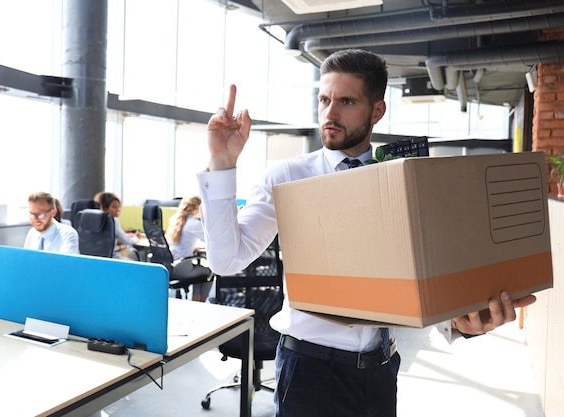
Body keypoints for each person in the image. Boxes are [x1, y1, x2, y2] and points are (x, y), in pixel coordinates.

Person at [197, 49, 537, 417]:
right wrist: (222, 162)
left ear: (377, 111)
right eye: (324, 99)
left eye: (346, 101)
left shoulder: (406, 179)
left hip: (381, 369)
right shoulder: (287, 177)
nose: (329, 113)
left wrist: (463, 323)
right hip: (310, 370)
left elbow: (422, 270)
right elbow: (227, 260)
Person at [165, 195, 212, 302]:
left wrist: (191, 247)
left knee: (200, 272)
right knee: (208, 273)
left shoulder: (175, 220)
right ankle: (200, 303)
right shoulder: (194, 224)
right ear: (196, 208)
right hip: (182, 268)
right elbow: (210, 241)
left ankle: (196, 302)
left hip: (170, 266)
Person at [94, 191, 143, 260]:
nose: (118, 210)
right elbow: (128, 241)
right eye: (114, 207)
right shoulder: (113, 221)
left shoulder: (94, 220)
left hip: (95, 259)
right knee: (135, 265)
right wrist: (137, 237)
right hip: (111, 258)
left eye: (118, 206)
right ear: (105, 208)